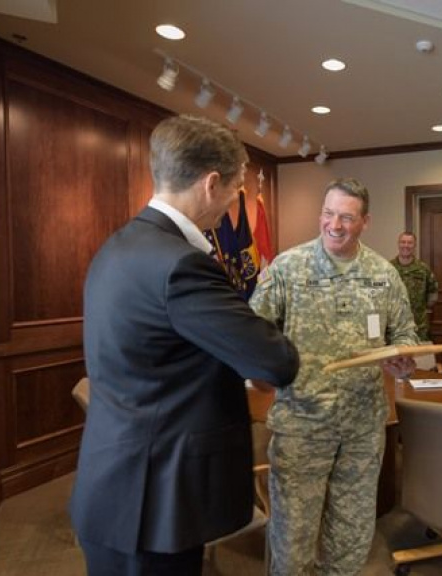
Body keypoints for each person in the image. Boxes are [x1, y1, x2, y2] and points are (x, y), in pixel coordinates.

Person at [70, 115, 300, 575]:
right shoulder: (181, 265)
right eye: (236, 189)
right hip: (155, 503)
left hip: (116, 485)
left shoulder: (116, 247)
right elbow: (276, 361)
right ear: (212, 184)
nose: (235, 202)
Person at [250, 177, 418, 576]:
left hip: (363, 428)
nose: (335, 225)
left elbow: (405, 333)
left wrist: (403, 358)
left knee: (352, 532)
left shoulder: (383, 274)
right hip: (302, 426)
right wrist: (260, 374)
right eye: (328, 213)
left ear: (365, 222)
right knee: (293, 537)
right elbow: (252, 332)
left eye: (346, 217)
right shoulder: (288, 268)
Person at [390, 231, 439, 341]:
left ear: (414, 245)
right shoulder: (389, 268)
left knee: (420, 352)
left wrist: (420, 309)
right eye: (403, 242)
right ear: (398, 244)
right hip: (394, 326)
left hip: (419, 326)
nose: (406, 245)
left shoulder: (423, 269)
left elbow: (433, 293)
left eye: (410, 243)